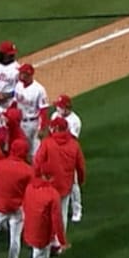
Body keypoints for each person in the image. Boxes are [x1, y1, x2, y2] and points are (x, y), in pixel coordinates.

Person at [20, 170, 67, 258]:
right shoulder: (52, 194)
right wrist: (61, 241)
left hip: (30, 229)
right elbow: (57, 220)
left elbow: (25, 207)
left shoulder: (29, 188)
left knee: (42, 257)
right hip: (42, 233)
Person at [36, 117, 85, 231]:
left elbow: (38, 162)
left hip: (49, 183)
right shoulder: (74, 144)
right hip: (65, 184)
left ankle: (47, 236)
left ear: (56, 128)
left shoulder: (47, 143)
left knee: (46, 212)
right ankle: (60, 239)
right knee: (62, 212)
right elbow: (80, 166)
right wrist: (80, 180)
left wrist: (36, 179)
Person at [50, 93, 85, 222]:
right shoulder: (55, 115)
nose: (57, 108)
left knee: (73, 184)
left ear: (66, 108)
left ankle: (77, 210)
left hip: (69, 155)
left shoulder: (75, 121)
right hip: (56, 154)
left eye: (60, 107)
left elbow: (72, 140)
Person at [14, 63, 51, 155]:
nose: (19, 74)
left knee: (35, 152)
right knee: (23, 150)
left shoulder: (39, 90)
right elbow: (15, 102)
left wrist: (42, 128)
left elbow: (44, 111)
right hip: (21, 123)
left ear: (28, 74)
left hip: (33, 123)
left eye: (22, 73)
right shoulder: (18, 85)